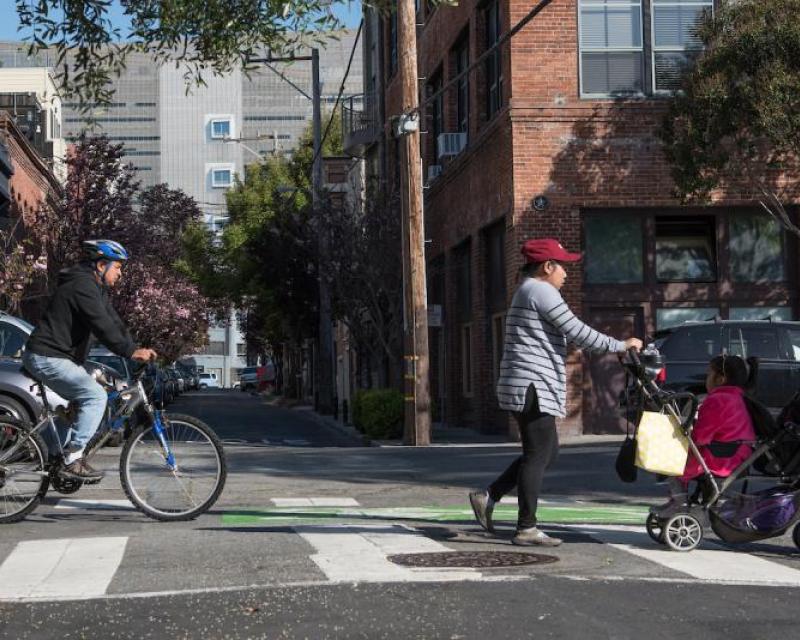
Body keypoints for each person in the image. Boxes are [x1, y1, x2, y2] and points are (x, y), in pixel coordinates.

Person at [469, 238, 642, 546]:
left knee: (546, 453)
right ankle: (526, 527)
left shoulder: (528, 291)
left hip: (526, 383)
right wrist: (621, 345)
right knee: (538, 455)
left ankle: (489, 495)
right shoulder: (541, 291)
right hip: (531, 384)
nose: (566, 273)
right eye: (563, 266)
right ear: (547, 267)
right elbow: (576, 330)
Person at [23, 240, 157, 481]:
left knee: (82, 405)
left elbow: (113, 321)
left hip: (59, 357)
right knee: (95, 396)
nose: (120, 273)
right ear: (101, 264)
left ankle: (55, 455)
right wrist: (129, 351)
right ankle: (73, 459)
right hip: (45, 356)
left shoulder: (95, 288)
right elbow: (101, 324)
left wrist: (135, 347)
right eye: (117, 267)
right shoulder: (82, 286)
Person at [655, 354, 758, 516]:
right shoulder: (736, 397)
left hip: (720, 457)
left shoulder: (717, 400)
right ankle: (679, 502)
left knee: (672, 463)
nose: (706, 378)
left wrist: (685, 438)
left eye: (709, 373)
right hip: (737, 455)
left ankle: (678, 503)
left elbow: (701, 437)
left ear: (721, 378)